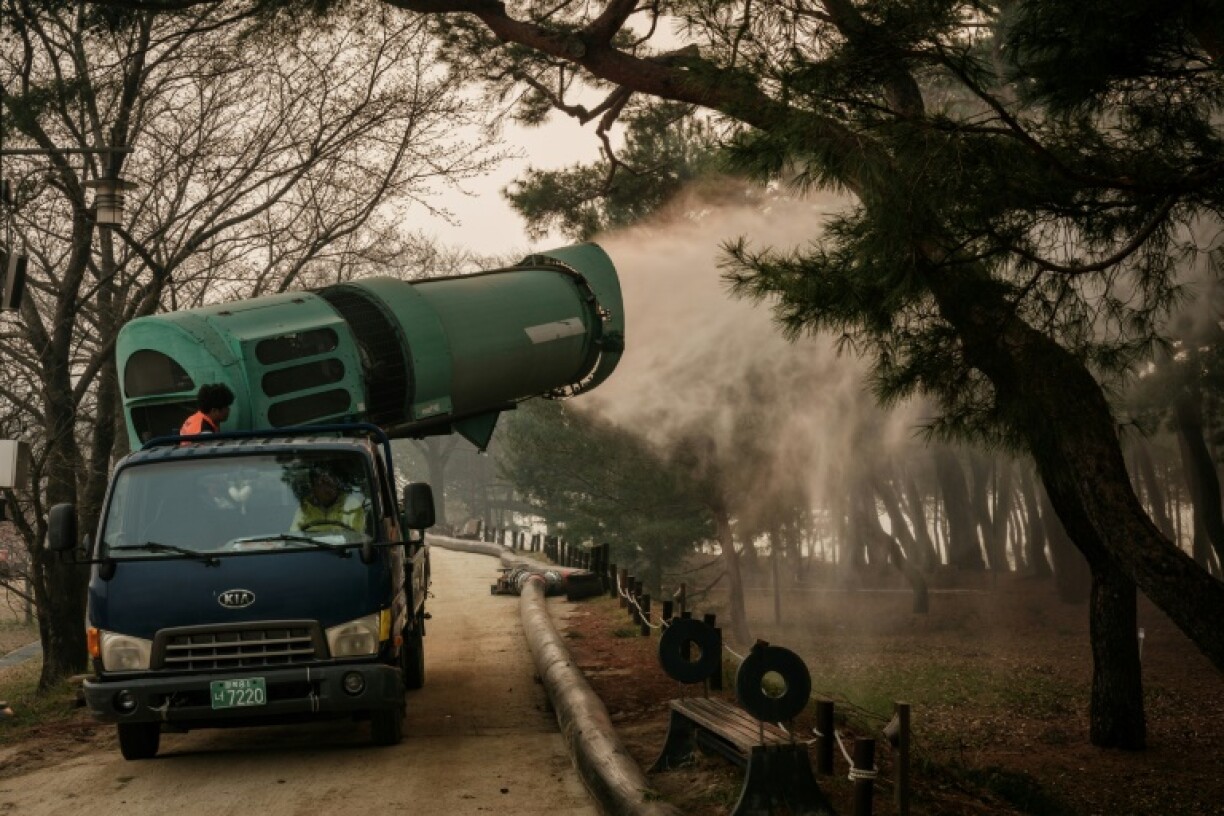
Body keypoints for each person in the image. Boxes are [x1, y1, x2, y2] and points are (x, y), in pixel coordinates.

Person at [291, 466, 367, 534]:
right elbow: (294, 536)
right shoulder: (305, 508)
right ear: (314, 488)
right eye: (323, 483)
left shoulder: (352, 505)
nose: (328, 488)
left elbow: (359, 536)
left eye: (330, 482)